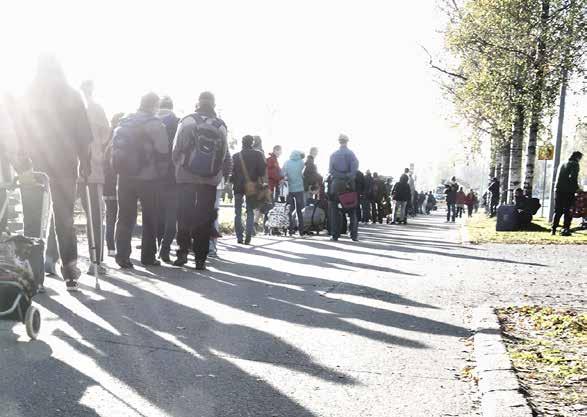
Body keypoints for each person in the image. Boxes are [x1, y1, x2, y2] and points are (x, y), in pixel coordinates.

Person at [20, 55, 93, 291]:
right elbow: (84, 136)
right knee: (65, 217)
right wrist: (85, 164)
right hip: (65, 164)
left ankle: (34, 275)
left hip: (34, 164)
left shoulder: (29, 94)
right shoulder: (72, 95)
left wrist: (21, 162)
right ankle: (70, 271)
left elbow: (19, 133)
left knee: (33, 219)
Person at [172, 91, 230, 270]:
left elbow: (176, 149)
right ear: (213, 104)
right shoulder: (220, 126)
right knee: (204, 218)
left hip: (186, 177)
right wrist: (220, 174)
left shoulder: (187, 120)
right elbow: (224, 154)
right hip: (209, 179)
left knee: (184, 214)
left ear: (198, 103)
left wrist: (180, 166)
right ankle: (200, 258)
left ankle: (182, 252)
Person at [114, 93, 169, 269]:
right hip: (148, 178)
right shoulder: (155, 124)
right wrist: (163, 173)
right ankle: (148, 256)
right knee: (150, 218)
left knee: (124, 217)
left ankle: (122, 256)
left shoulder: (124, 121)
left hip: (124, 176)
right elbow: (163, 150)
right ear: (155, 105)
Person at [77, 80, 110, 275]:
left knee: (60, 216)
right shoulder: (95, 108)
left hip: (67, 168)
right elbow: (106, 134)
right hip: (91, 169)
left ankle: (52, 259)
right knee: (95, 217)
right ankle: (95, 262)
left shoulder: (67, 108)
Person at [155, 96, 180, 263]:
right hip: (174, 175)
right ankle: (165, 248)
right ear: (172, 107)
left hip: (152, 175)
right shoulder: (178, 122)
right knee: (172, 214)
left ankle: (158, 246)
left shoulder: (152, 121)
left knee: (157, 213)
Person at [231, 135, 266, 244]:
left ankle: (239, 237)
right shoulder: (258, 154)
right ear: (252, 143)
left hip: (237, 186)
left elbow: (231, 172)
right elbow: (262, 171)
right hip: (252, 186)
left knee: (237, 212)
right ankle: (248, 237)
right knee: (250, 211)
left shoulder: (236, 156)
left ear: (242, 142)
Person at [328, 134, 359, 241]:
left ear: (339, 142)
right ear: (347, 141)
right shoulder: (351, 154)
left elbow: (331, 171)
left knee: (335, 210)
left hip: (336, 184)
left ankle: (335, 234)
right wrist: (347, 177)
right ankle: (353, 235)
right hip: (348, 184)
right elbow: (354, 170)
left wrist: (339, 176)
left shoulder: (333, 155)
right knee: (352, 210)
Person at [103, 112, 125, 257]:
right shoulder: (120, 142)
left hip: (106, 183)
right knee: (120, 217)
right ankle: (117, 246)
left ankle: (110, 247)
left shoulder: (105, 141)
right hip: (119, 183)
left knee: (110, 216)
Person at [552, 151, 583, 236]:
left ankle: (553, 229)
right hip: (568, 191)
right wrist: (577, 188)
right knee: (568, 210)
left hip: (558, 189)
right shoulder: (575, 164)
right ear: (578, 157)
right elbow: (573, 177)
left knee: (558, 210)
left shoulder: (563, 163)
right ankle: (566, 229)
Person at [283, 150, 306, 236]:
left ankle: (290, 229)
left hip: (289, 189)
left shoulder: (287, 162)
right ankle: (301, 230)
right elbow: (303, 173)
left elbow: (282, 173)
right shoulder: (301, 162)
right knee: (299, 210)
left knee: (290, 209)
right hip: (299, 189)